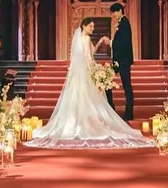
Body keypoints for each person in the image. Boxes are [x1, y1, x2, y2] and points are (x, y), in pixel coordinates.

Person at [27, 18, 150, 149]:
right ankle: (88, 123)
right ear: (84, 26)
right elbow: (87, 56)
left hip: (81, 71)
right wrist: (93, 69)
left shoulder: (82, 38)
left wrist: (97, 45)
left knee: (79, 96)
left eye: (93, 27)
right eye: (91, 26)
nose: (93, 29)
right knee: (88, 96)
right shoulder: (85, 39)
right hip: (86, 70)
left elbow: (91, 52)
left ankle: (79, 121)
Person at [108, 2, 134, 121]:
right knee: (106, 81)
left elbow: (123, 43)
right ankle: (110, 107)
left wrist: (111, 42)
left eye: (113, 12)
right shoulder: (121, 23)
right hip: (119, 60)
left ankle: (129, 112)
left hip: (122, 61)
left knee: (126, 85)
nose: (112, 15)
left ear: (119, 11)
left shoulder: (124, 23)